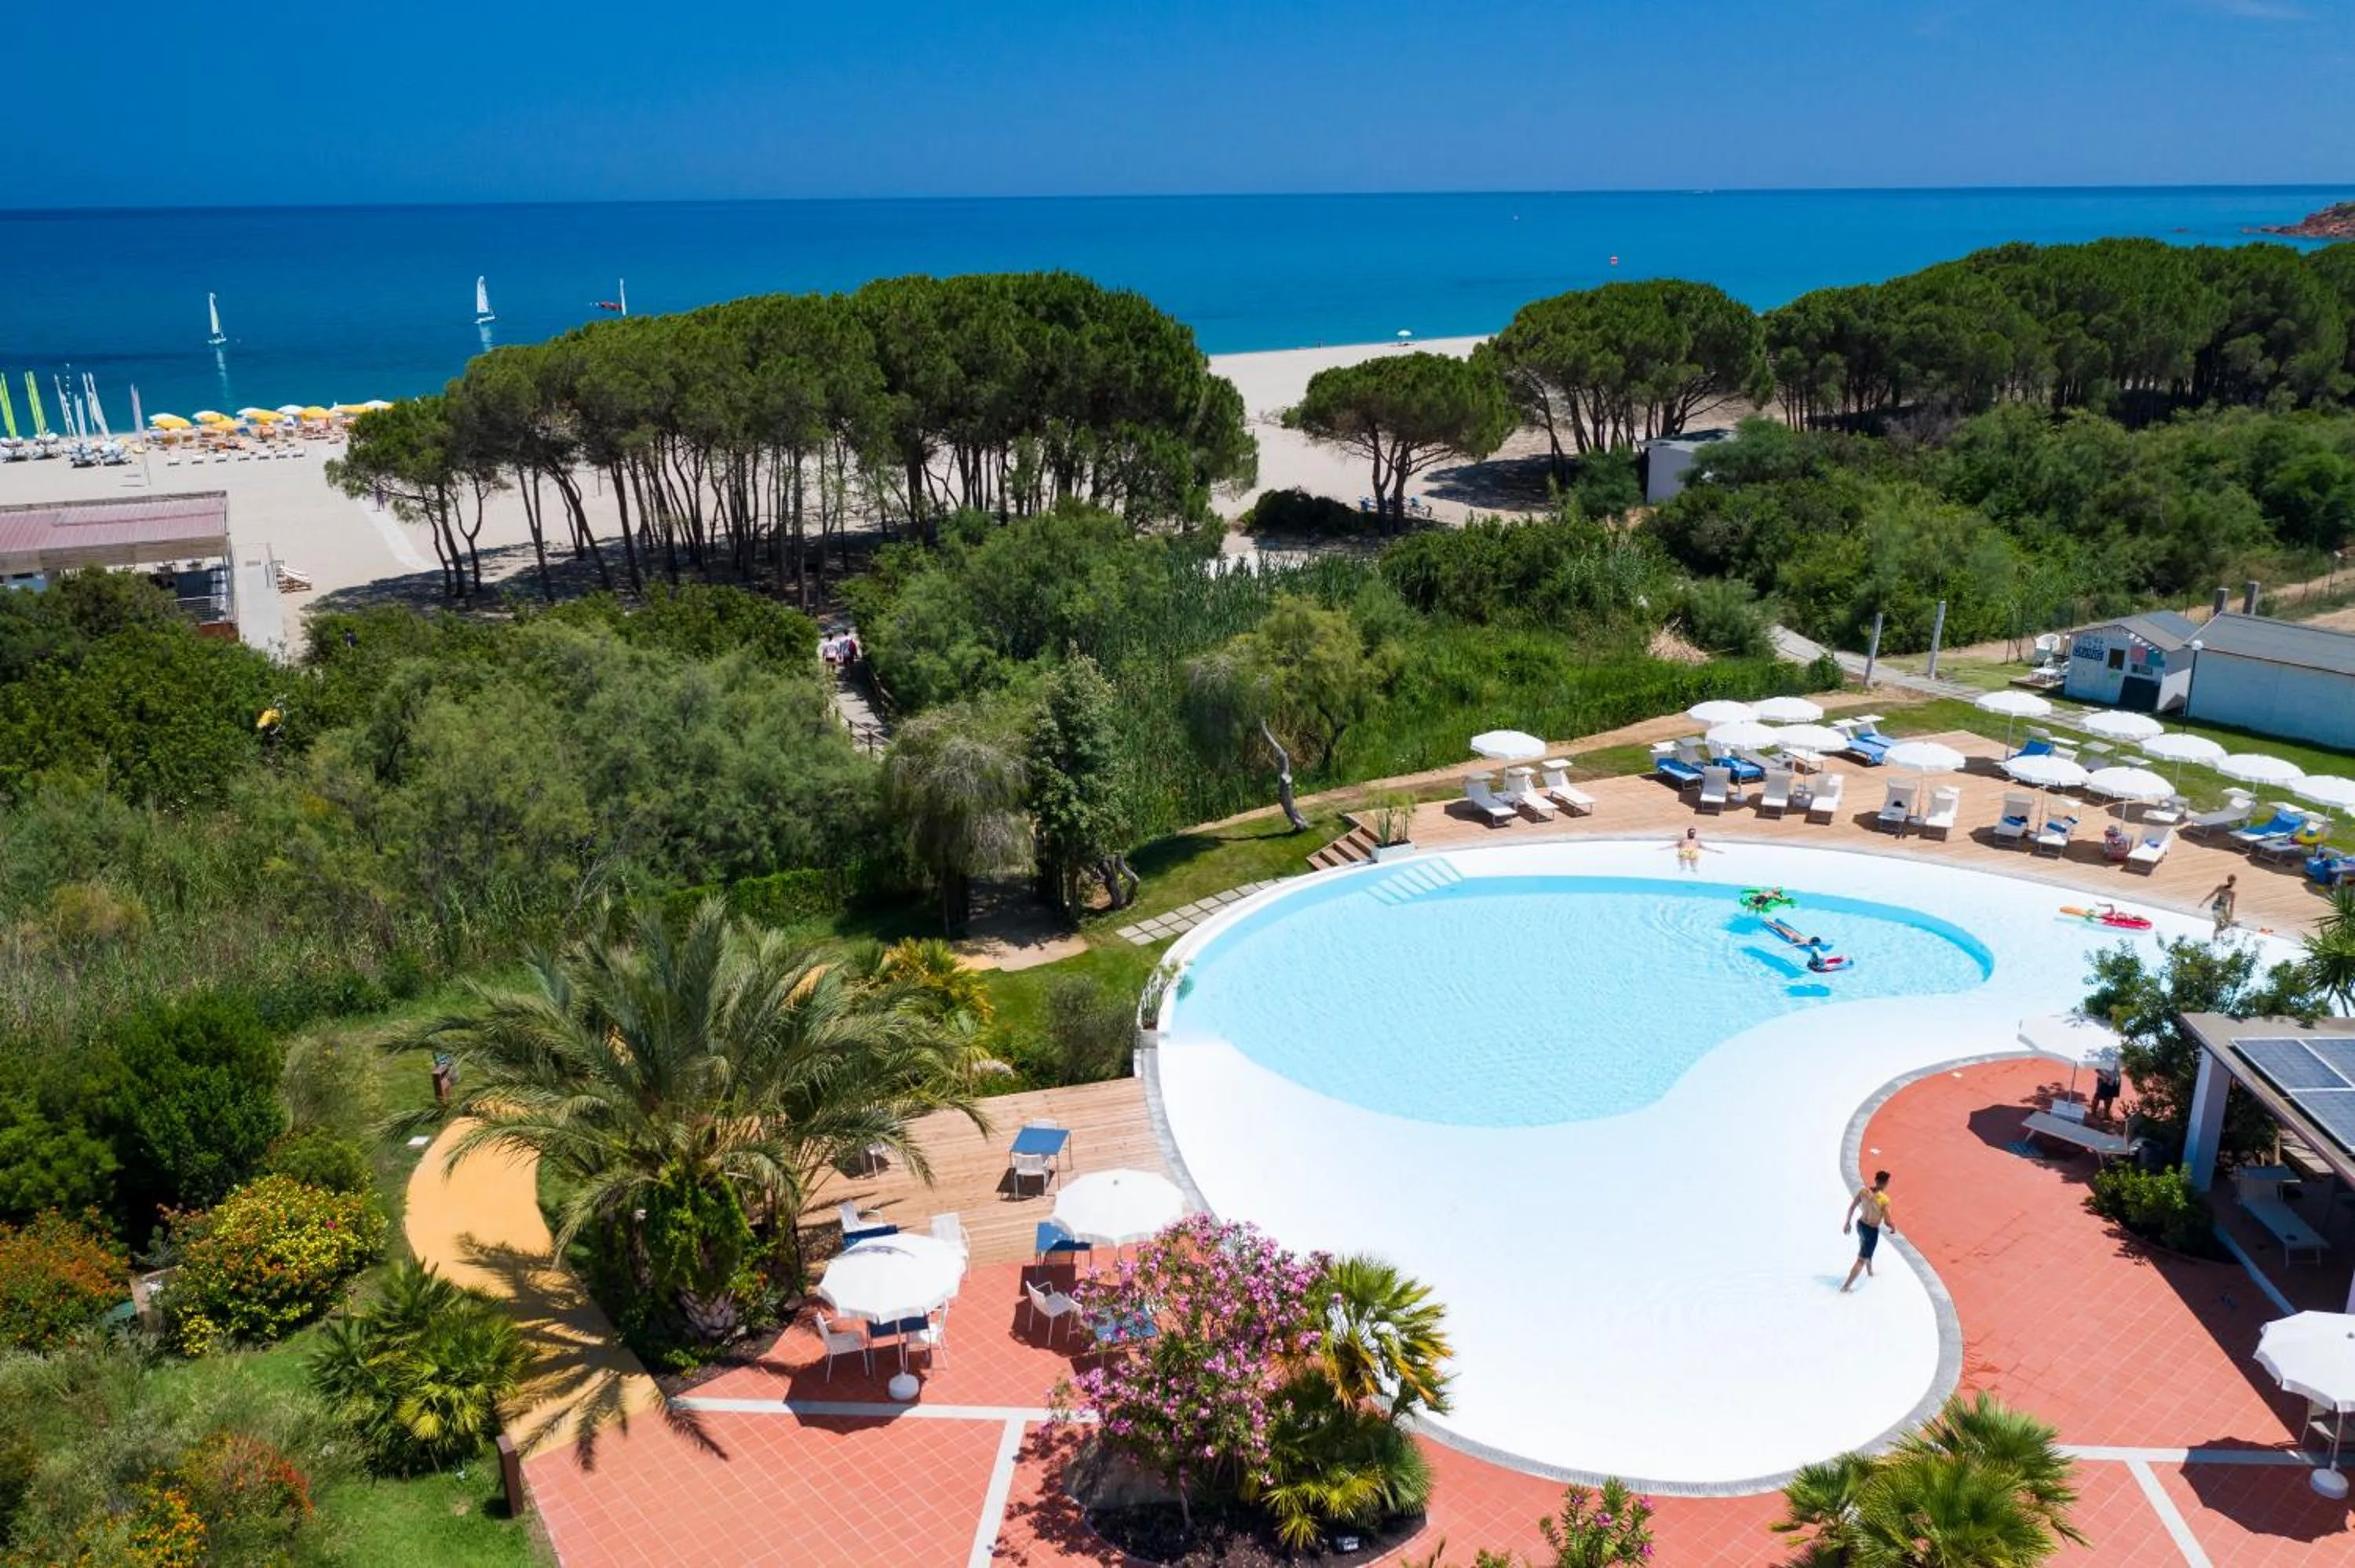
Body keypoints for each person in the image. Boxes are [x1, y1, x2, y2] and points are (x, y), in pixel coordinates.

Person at [1842, 1170, 1893, 1293]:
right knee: (1861, 1259)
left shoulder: (1864, 1192)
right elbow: (1887, 1221)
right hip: (1871, 1231)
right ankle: (1846, 1287)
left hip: (1860, 1225)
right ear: (1886, 1183)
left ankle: (1870, 1272)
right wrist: (1893, 1227)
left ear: (1876, 1180)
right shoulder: (1885, 1200)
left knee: (1866, 1248)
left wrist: (1847, 1223)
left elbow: (1852, 1207)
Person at [2205, 873, 2238, 937]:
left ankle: (2215, 936)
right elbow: (2231, 905)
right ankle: (2216, 933)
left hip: (2214, 907)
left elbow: (2212, 894)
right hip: (2221, 909)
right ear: (2234, 882)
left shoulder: (2220, 887)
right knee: (2228, 923)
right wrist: (2231, 916)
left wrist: (2203, 902)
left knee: (2218, 926)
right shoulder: (2232, 893)